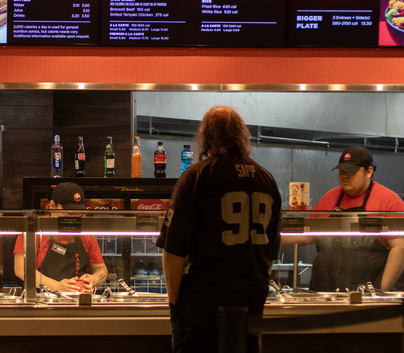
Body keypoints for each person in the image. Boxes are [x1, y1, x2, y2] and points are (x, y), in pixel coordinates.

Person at [157, 106, 281, 353]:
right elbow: (270, 256)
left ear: (206, 136)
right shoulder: (267, 179)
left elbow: (173, 253)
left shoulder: (196, 177)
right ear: (242, 136)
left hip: (203, 312)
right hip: (250, 310)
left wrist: (176, 307)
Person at [285, 146, 404, 292]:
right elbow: (308, 235)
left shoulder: (388, 201)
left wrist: (380, 292)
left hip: (366, 296)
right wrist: (274, 237)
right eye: (342, 171)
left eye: (352, 171)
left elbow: (399, 248)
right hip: (325, 293)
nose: (345, 175)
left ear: (369, 171)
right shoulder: (331, 197)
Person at [13, 182, 108, 293]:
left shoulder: (85, 234)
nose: (74, 218)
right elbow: (21, 269)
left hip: (77, 301)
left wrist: (94, 279)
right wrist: (57, 286)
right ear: (52, 206)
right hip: (42, 301)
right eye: (69, 214)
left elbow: (101, 269)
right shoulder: (34, 229)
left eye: (79, 214)